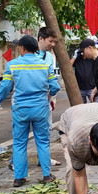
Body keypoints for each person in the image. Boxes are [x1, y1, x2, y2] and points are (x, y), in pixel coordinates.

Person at [0, 35, 60, 187]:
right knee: (42, 141)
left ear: (22, 48)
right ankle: (46, 175)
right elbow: (55, 87)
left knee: (19, 143)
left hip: (21, 109)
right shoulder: (45, 65)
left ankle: (19, 178)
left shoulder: (13, 65)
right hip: (40, 108)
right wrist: (48, 94)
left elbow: (5, 86)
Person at [36, 26, 62, 166]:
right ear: (41, 38)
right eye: (50, 41)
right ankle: (14, 161)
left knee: (45, 130)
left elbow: (51, 77)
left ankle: (44, 159)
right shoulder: (30, 54)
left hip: (46, 98)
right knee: (21, 134)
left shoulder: (49, 57)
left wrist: (52, 95)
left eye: (54, 42)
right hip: (31, 99)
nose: (53, 45)